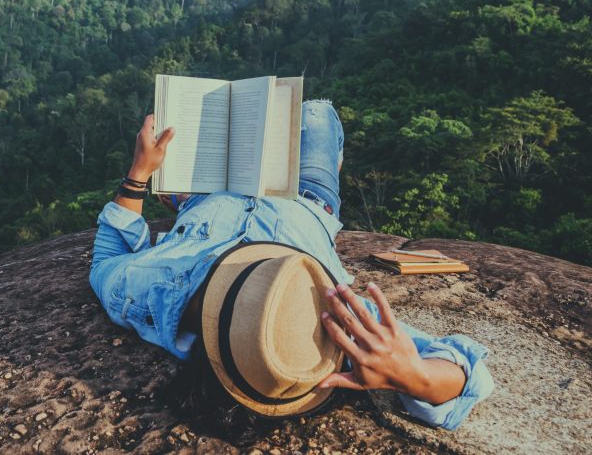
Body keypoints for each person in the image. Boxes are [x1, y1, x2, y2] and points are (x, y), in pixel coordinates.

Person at [89, 100, 493, 429]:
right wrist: (414, 377)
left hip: (210, 194)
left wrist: (140, 172)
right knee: (317, 113)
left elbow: (106, 259)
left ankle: (180, 199)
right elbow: (468, 376)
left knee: (210, 115)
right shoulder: (319, 319)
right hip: (306, 197)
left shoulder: (158, 292)